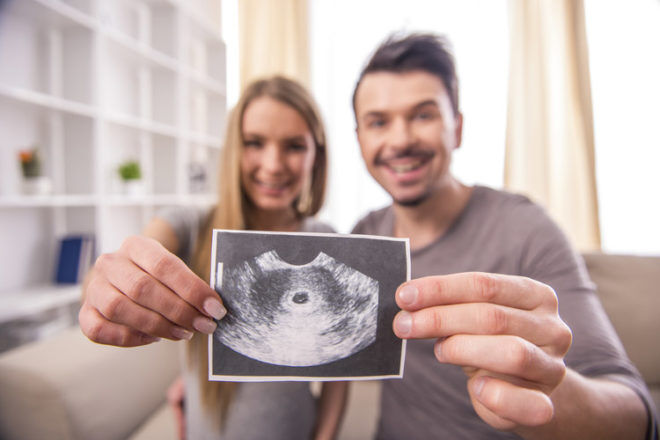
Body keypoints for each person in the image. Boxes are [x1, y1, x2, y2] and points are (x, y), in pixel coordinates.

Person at [350, 33, 658, 439]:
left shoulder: (525, 230)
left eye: (423, 115)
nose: (401, 139)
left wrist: (544, 391)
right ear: (359, 139)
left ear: (456, 129)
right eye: (378, 122)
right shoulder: (365, 236)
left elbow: (638, 418)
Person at [79, 76, 348, 440]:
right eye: (254, 143)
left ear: (317, 155)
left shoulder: (327, 241)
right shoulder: (189, 225)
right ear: (234, 149)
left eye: (294, 146)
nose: (273, 164)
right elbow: (136, 253)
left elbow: (339, 372)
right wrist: (108, 283)